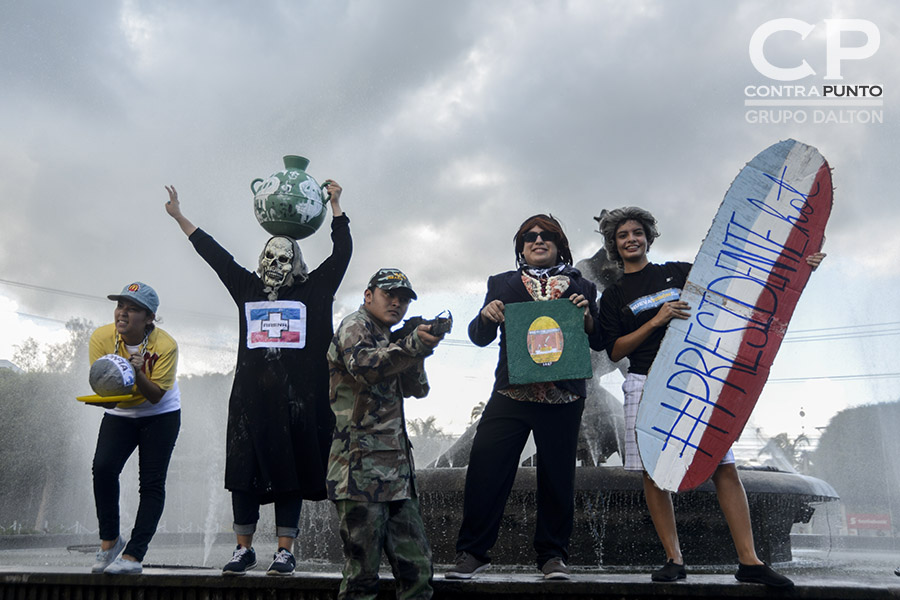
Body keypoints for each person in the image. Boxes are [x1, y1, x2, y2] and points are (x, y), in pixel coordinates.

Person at [596, 206, 825, 588]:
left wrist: (799, 265)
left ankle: (749, 561)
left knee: (723, 466)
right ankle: (674, 558)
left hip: (693, 381)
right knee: (654, 475)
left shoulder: (678, 272)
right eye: (623, 236)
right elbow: (616, 350)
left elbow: (736, 280)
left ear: (648, 237)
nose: (631, 239)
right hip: (643, 382)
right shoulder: (615, 295)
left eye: (637, 232)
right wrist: (657, 319)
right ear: (613, 246)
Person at [164, 182, 351, 576]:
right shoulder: (248, 289)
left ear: (296, 263)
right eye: (270, 256)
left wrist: (335, 207)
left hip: (298, 405)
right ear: (261, 260)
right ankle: (243, 549)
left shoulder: (315, 289)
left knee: (291, 473)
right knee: (242, 475)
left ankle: (285, 551)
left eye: (285, 258)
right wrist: (181, 218)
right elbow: (217, 257)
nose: (276, 264)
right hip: (249, 401)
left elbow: (342, 254)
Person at [446, 214, 605, 580]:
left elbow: (599, 341)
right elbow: (478, 336)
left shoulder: (583, 287)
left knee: (557, 476)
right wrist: (486, 317)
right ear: (520, 247)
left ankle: (552, 556)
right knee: (486, 466)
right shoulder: (501, 283)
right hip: (511, 393)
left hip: (563, 397)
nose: (538, 240)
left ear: (559, 245)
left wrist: (587, 319)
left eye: (547, 235)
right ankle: (473, 552)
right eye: (529, 236)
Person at [327, 268, 444, 600]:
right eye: (389, 295)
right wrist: (410, 346)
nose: (397, 303)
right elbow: (366, 368)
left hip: (397, 474)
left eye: (403, 299)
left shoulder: (392, 337)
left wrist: (418, 347)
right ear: (368, 296)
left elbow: (417, 389)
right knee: (362, 577)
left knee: (418, 571)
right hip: (358, 471)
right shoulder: (355, 326)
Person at [89, 282, 180, 575]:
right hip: (123, 413)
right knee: (103, 468)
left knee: (151, 483)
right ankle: (110, 542)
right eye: (120, 306)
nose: (123, 313)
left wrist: (138, 372)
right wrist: (104, 400)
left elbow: (155, 395)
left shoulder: (165, 345)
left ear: (149, 317)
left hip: (160, 413)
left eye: (133, 308)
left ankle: (133, 555)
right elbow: (104, 388)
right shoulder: (101, 337)